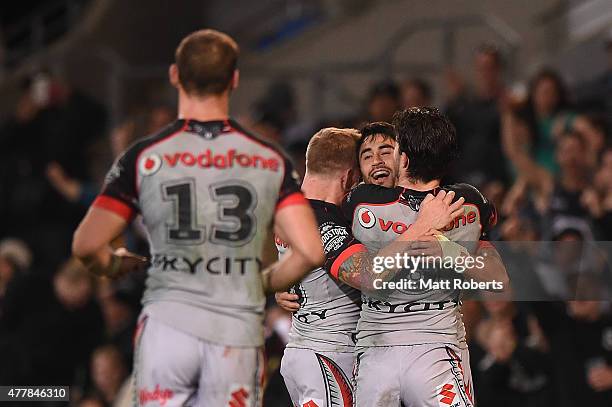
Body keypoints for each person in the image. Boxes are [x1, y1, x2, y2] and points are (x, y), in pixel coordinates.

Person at [72, 29, 324, 406]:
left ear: (175, 76)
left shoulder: (144, 158)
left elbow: (87, 245)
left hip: (169, 324)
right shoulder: (267, 159)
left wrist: (115, 265)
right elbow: (310, 251)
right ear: (235, 80)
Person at [275, 127, 465, 407]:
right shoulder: (320, 221)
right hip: (327, 356)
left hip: (310, 351)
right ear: (349, 176)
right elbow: (368, 275)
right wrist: (423, 226)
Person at [343, 107, 508, 406]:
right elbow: (499, 279)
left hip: (377, 349)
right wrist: (451, 250)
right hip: (439, 347)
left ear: (402, 159)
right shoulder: (468, 204)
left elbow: (336, 257)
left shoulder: (359, 203)